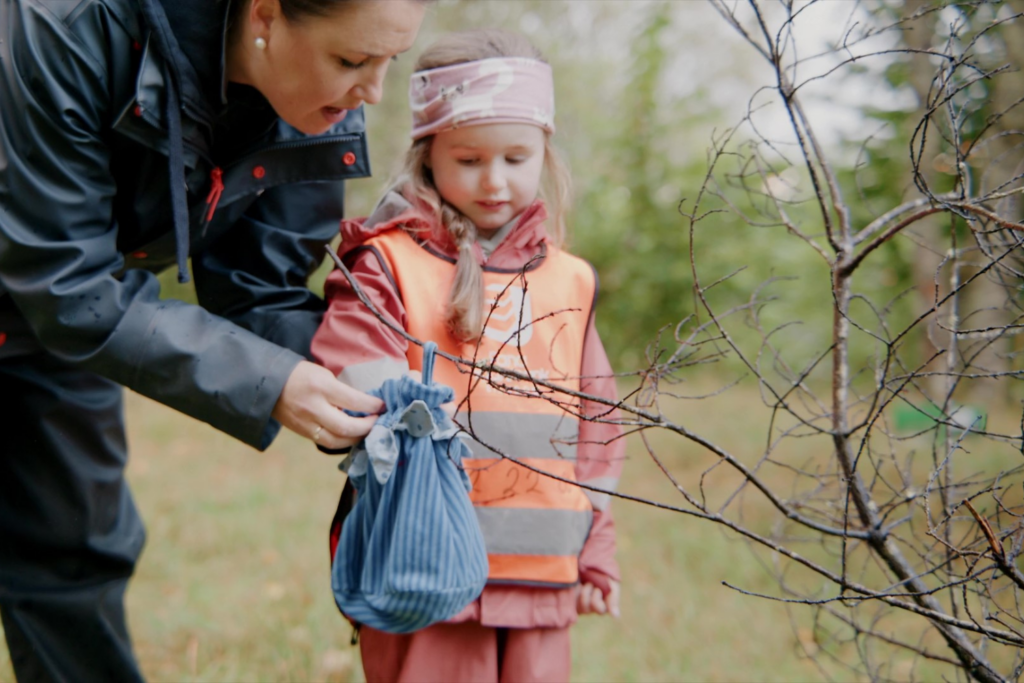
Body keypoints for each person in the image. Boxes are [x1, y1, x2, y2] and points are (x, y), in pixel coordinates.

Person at [0, 0, 427, 680]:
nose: (371, 92)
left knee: (75, 549)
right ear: (266, 15)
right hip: (63, 286)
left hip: (63, 324)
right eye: (351, 61)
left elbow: (259, 291)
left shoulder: (313, 102)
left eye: (388, 62)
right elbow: (68, 281)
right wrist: (273, 382)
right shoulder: (67, 26)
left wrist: (382, 377)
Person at [312, 28, 625, 683]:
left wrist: (595, 547)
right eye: (470, 158)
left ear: (544, 152)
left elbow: (597, 426)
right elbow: (352, 382)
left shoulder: (570, 280)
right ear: (430, 157)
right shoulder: (388, 264)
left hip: (541, 579)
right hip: (422, 565)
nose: (494, 180)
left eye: (516, 157)